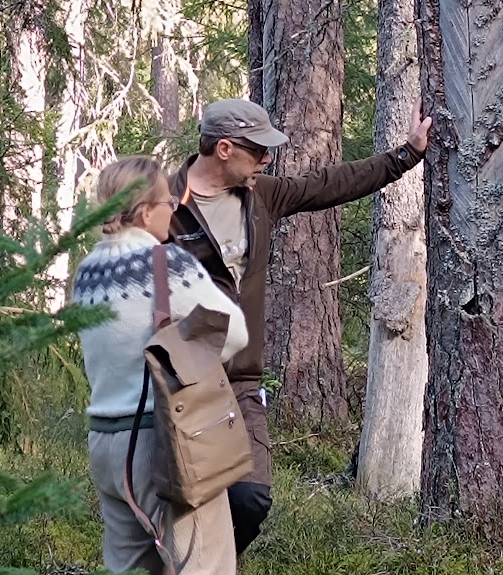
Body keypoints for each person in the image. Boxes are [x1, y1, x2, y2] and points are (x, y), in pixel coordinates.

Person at [168, 97, 432, 555]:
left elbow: (328, 185)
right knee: (185, 502)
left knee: (250, 498)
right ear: (225, 148)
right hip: (180, 385)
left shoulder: (262, 196)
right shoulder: (164, 206)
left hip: (240, 383)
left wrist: (405, 155)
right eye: (259, 151)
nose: (268, 159)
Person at [72, 156, 249, 575]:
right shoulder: (169, 264)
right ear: (146, 211)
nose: (175, 208)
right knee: (202, 565)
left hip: (106, 442)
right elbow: (236, 333)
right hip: (168, 440)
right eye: (168, 201)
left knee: (129, 568)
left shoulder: (86, 272)